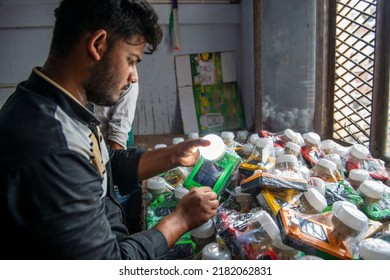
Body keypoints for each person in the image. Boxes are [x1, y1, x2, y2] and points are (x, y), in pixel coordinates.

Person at [0, 0, 219, 260]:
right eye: (130, 60)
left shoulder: (57, 105)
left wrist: (173, 156)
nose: (134, 76)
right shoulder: (52, 146)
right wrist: (181, 220)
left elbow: (102, 165)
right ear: (97, 45)